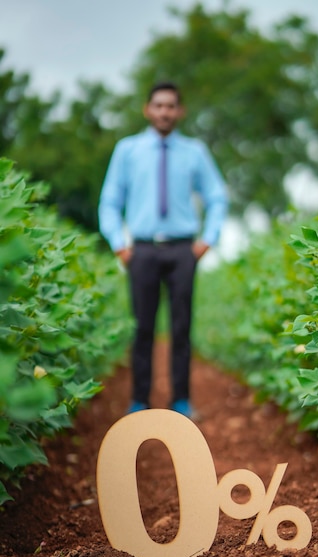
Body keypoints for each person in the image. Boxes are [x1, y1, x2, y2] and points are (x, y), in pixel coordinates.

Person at [98, 81, 228, 418]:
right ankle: (139, 401)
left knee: (181, 328)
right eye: (158, 105)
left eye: (171, 106)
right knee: (142, 328)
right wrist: (118, 245)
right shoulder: (127, 150)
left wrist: (207, 239)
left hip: (183, 250)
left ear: (180, 111)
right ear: (147, 110)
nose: (164, 112)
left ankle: (181, 401)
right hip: (141, 250)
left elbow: (217, 196)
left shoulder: (195, 152)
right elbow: (110, 201)